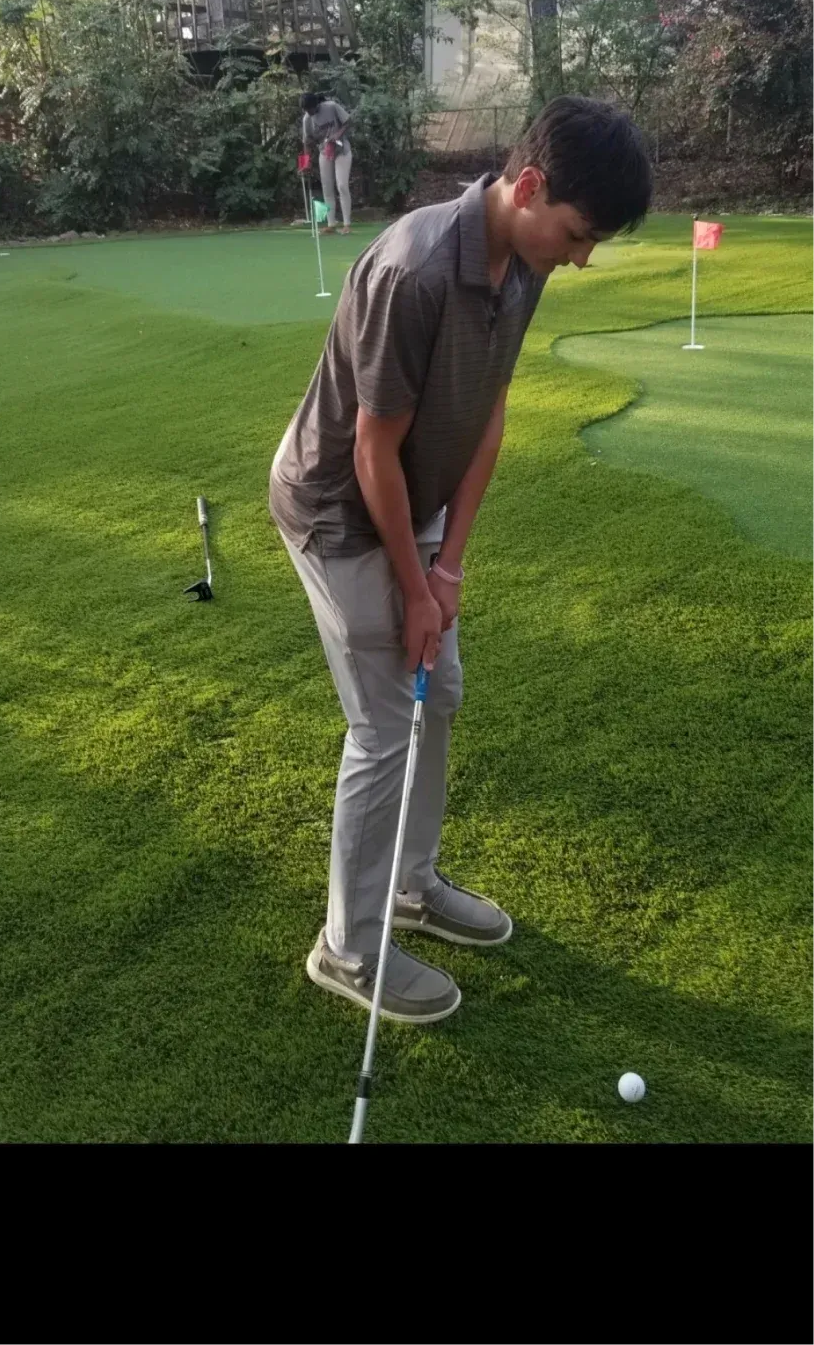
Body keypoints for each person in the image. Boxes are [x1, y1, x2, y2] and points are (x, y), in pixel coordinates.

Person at [270, 96, 653, 1026]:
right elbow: (370, 454)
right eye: (578, 233)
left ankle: (410, 884)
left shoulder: (524, 262)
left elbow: (489, 415)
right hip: (338, 510)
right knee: (381, 725)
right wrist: (410, 587)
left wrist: (445, 575)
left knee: (437, 690)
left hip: (415, 504)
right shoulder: (415, 271)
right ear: (529, 188)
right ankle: (350, 948)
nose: (582, 255)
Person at [302, 89, 353, 235]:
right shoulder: (307, 119)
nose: (308, 112)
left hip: (342, 150)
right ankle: (331, 224)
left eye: (309, 109)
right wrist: (307, 161)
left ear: (316, 105)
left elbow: (349, 121)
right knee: (327, 188)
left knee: (342, 185)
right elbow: (306, 141)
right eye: (306, 110)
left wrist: (337, 134)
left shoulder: (330, 107)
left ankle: (347, 224)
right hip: (325, 152)